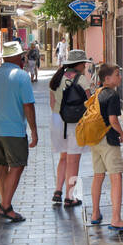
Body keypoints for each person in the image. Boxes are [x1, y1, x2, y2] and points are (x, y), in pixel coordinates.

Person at [0, 39, 37, 223]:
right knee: (17, 165)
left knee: (2, 165)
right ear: (18, 57)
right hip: (13, 130)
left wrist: (0, 105)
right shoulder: (22, 76)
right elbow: (28, 106)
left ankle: (4, 204)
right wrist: (34, 131)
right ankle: (6, 206)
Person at [90, 62, 123, 234]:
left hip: (95, 140)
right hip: (108, 140)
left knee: (98, 176)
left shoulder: (97, 92)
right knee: (116, 178)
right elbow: (113, 119)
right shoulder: (113, 95)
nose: (120, 77)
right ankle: (116, 219)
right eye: (117, 74)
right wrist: (121, 133)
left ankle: (95, 213)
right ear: (107, 78)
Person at [49, 50, 91, 207]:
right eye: (84, 63)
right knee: (74, 160)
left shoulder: (57, 78)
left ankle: (58, 190)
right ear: (79, 64)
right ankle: (70, 196)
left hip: (57, 121)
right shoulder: (82, 80)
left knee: (64, 158)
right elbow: (90, 102)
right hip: (75, 123)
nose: (85, 66)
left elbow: (52, 103)